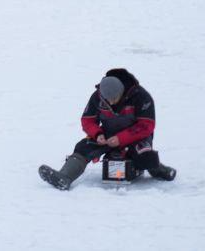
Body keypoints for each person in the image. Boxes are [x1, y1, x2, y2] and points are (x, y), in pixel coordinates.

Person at [38, 69, 176, 190]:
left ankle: (162, 171)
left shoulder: (141, 97)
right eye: (107, 99)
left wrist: (121, 139)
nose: (110, 102)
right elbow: (87, 120)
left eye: (113, 99)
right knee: (83, 147)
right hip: (107, 135)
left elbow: (146, 126)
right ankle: (65, 177)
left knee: (145, 156)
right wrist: (97, 134)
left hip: (136, 136)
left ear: (121, 92)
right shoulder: (97, 97)